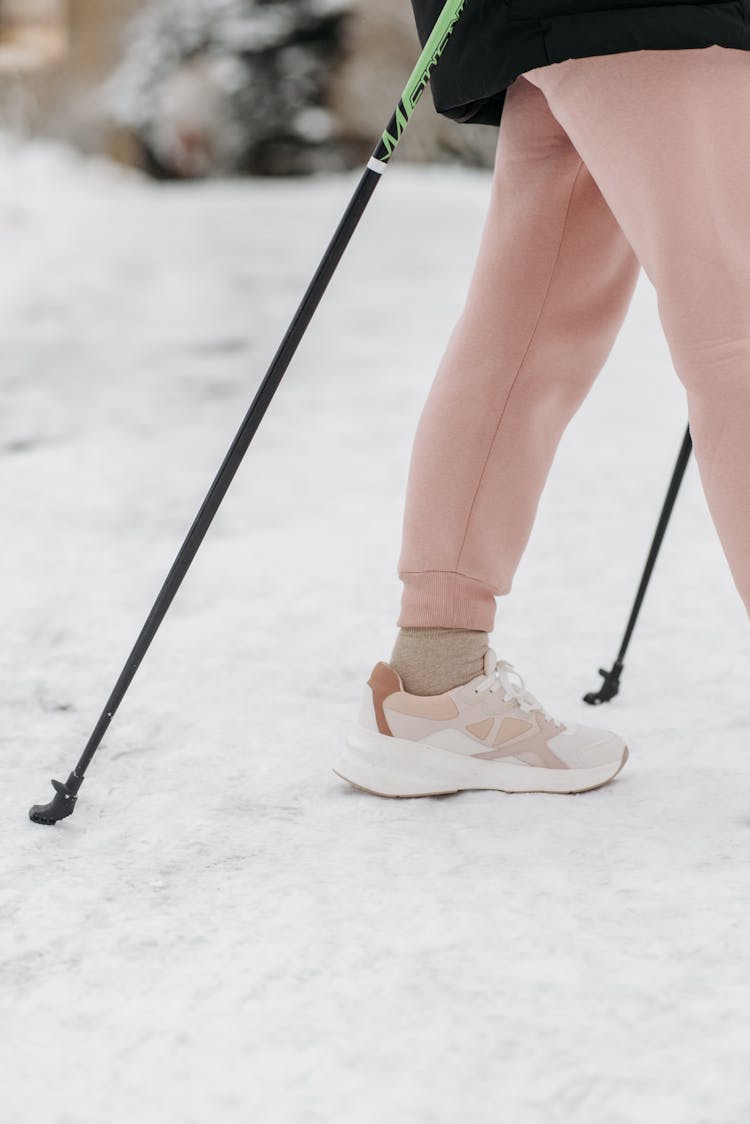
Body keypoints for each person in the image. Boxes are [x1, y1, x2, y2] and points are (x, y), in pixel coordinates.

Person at [334, 1, 750, 798]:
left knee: (525, 336)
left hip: (542, 21)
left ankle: (436, 687)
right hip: (656, 15)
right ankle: (436, 683)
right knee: (735, 338)